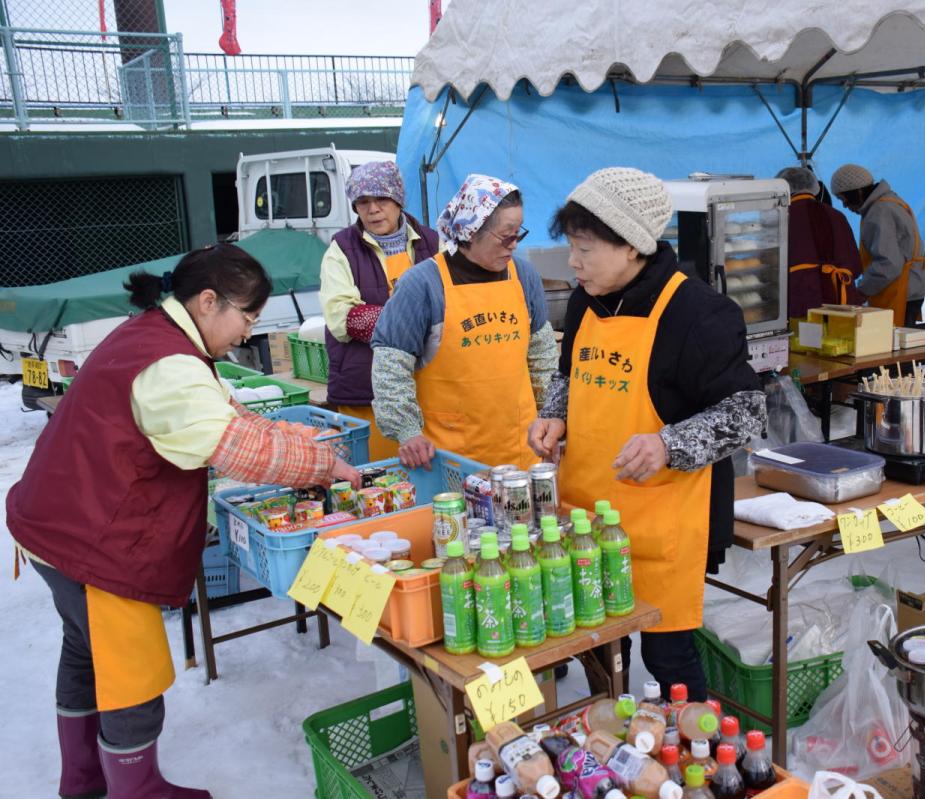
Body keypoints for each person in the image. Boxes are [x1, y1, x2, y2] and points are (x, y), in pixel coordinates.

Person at [6, 245, 361, 799]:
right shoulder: (169, 363)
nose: (246, 332)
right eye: (245, 315)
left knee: (84, 650)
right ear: (208, 300)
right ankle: (137, 788)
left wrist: (301, 439)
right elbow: (235, 447)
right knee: (130, 673)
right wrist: (323, 464)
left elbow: (229, 411)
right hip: (94, 541)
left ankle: (82, 779)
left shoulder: (158, 335)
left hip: (55, 522)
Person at [528, 167, 767, 697]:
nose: (573, 262)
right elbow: (568, 374)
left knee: (667, 655)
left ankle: (700, 758)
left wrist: (668, 444)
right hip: (587, 510)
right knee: (596, 644)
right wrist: (555, 414)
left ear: (633, 245)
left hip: (662, 521)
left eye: (585, 249)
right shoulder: (588, 299)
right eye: (571, 246)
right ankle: (611, 745)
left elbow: (747, 412)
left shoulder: (700, 313)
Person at [371, 174, 557, 469]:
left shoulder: (524, 276)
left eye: (517, 234)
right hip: (450, 460)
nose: (513, 245)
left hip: (520, 451)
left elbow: (542, 356)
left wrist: (553, 414)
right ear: (470, 230)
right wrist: (407, 432)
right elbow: (390, 369)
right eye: (505, 235)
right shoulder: (422, 285)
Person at [319, 161, 440, 461]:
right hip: (366, 391)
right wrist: (409, 324)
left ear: (398, 200)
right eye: (363, 202)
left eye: (381, 200)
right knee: (379, 480)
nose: (373, 210)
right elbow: (341, 318)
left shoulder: (432, 242)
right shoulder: (341, 249)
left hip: (431, 387)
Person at [830, 164, 925, 326]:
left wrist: (861, 291)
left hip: (900, 290)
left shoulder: (880, 211)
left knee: (894, 345)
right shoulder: (891, 201)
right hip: (909, 287)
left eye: (844, 199)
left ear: (857, 192)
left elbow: (888, 263)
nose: (845, 206)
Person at [776, 166, 865, 319]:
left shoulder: (780, 217)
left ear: (782, 189)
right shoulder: (837, 216)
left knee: (804, 341)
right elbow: (856, 267)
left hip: (801, 297)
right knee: (838, 341)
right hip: (841, 300)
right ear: (815, 188)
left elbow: (771, 266)